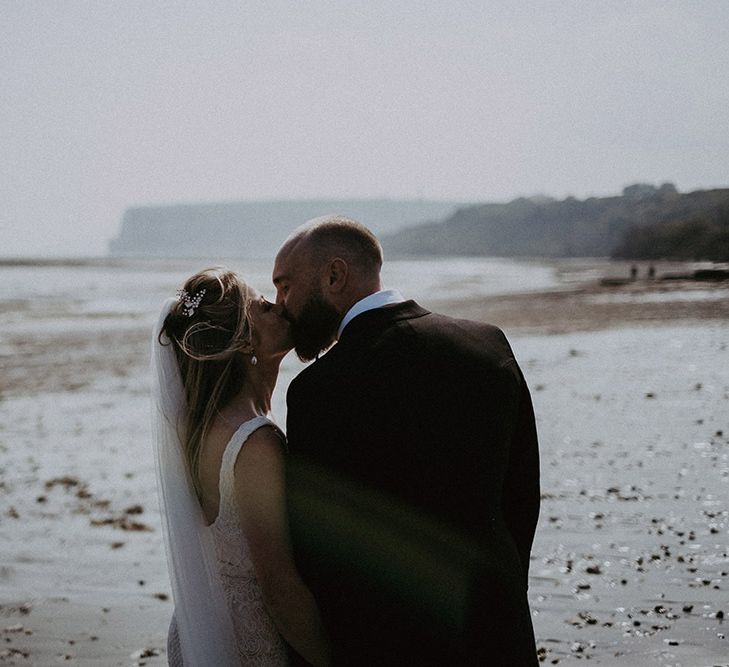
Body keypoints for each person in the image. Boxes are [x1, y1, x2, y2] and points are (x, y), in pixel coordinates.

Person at [273, 216, 540, 666]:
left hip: (388, 641)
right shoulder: (487, 344)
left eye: (285, 286)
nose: (281, 304)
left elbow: (322, 552)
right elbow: (521, 492)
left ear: (334, 276)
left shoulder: (319, 389)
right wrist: (508, 590)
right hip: (496, 624)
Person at [151, 268, 330, 666]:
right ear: (246, 339)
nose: (281, 308)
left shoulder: (196, 430)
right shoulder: (254, 442)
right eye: (265, 306)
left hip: (197, 629)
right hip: (247, 640)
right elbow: (278, 586)